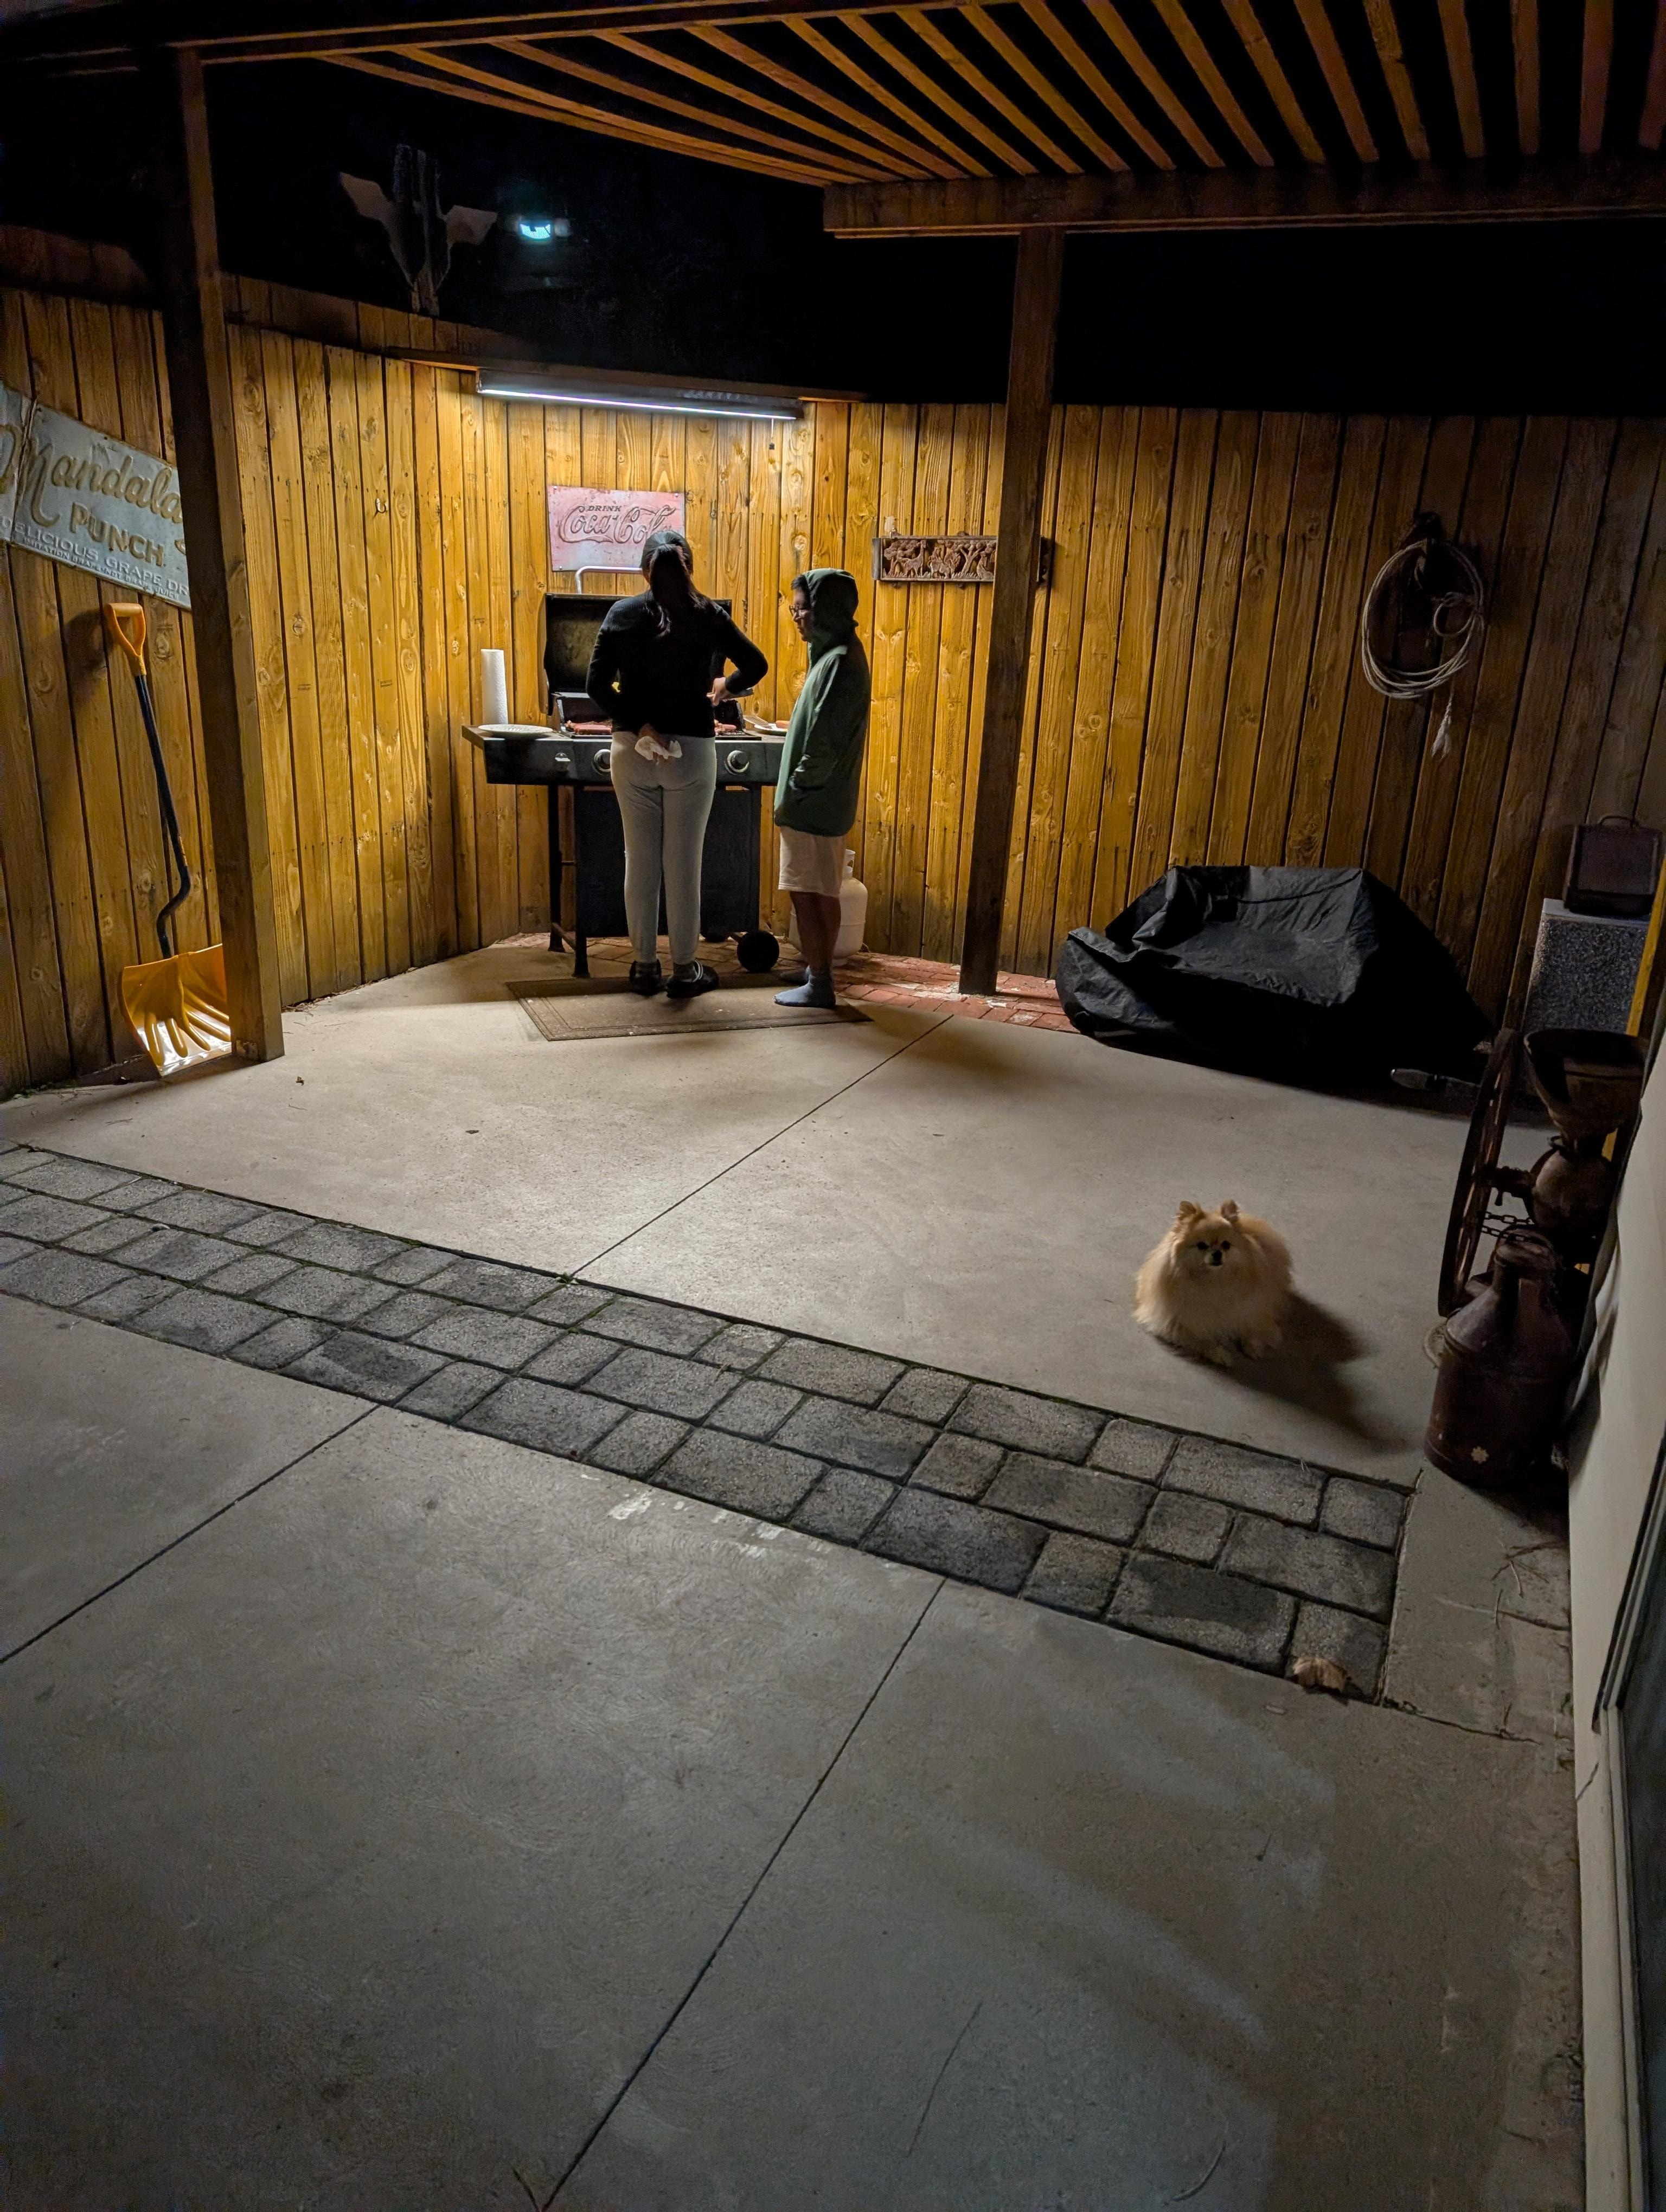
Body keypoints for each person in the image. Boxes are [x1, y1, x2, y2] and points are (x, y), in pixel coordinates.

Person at [585, 530, 768, 998]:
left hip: (634, 749)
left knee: (640, 861)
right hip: (691, 751)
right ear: (689, 567)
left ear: (644, 571)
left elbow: (596, 686)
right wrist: (726, 685)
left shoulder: (621, 614)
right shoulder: (709, 614)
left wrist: (640, 725)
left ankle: (644, 967)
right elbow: (756, 664)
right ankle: (685, 971)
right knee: (684, 863)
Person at [773, 569, 870, 1009]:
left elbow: (824, 742)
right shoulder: (835, 654)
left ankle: (821, 982)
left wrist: (797, 788)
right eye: (794, 609)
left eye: (802, 609)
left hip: (813, 801)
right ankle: (818, 968)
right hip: (823, 798)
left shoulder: (838, 663)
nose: (796, 617)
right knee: (819, 887)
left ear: (825, 610)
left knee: (809, 892)